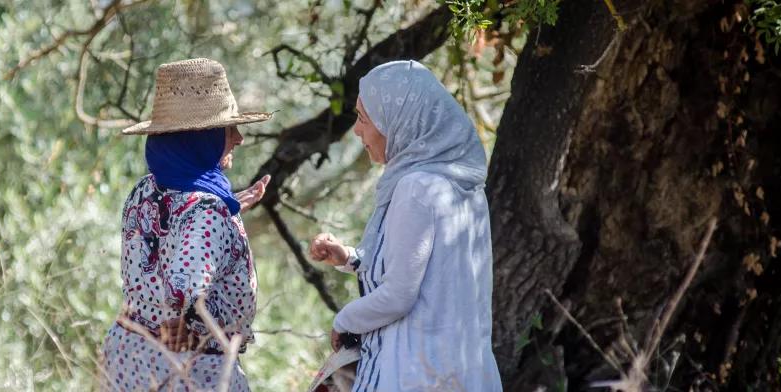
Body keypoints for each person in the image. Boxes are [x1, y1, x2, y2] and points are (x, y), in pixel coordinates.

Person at [309, 60, 503, 391]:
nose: (357, 130)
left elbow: (399, 296)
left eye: (363, 118)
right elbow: (431, 275)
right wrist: (350, 259)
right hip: (466, 372)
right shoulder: (463, 186)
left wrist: (344, 320)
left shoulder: (416, 187)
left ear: (397, 122)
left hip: (417, 374)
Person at [101, 58, 271, 391]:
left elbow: (175, 233)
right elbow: (185, 283)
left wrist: (229, 212)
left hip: (128, 357)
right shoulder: (208, 213)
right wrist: (183, 314)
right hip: (188, 370)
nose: (238, 138)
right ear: (201, 137)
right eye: (227, 128)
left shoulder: (147, 188)